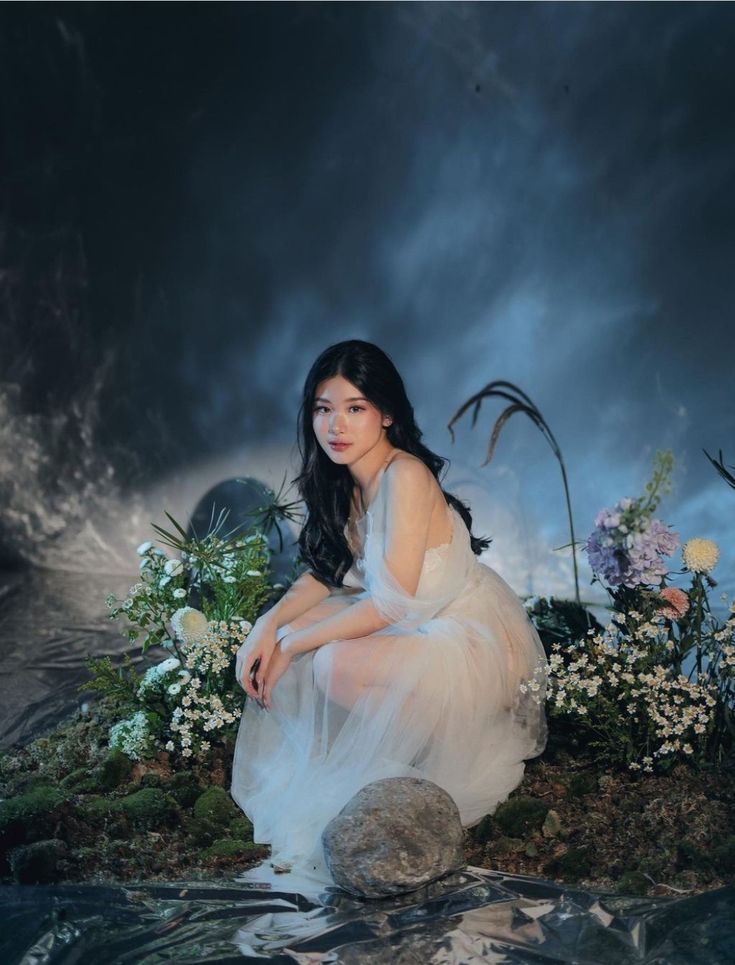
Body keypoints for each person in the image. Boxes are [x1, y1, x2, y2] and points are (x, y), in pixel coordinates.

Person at [231, 339, 549, 881]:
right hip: (413, 626)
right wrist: (269, 626)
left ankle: (432, 752)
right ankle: (390, 750)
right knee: (292, 638)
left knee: (325, 660)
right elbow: (327, 573)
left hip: (467, 642)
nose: (337, 426)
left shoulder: (404, 476)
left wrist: (294, 642)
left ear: (387, 414)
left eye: (355, 409)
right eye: (324, 409)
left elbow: (391, 602)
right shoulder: (349, 479)